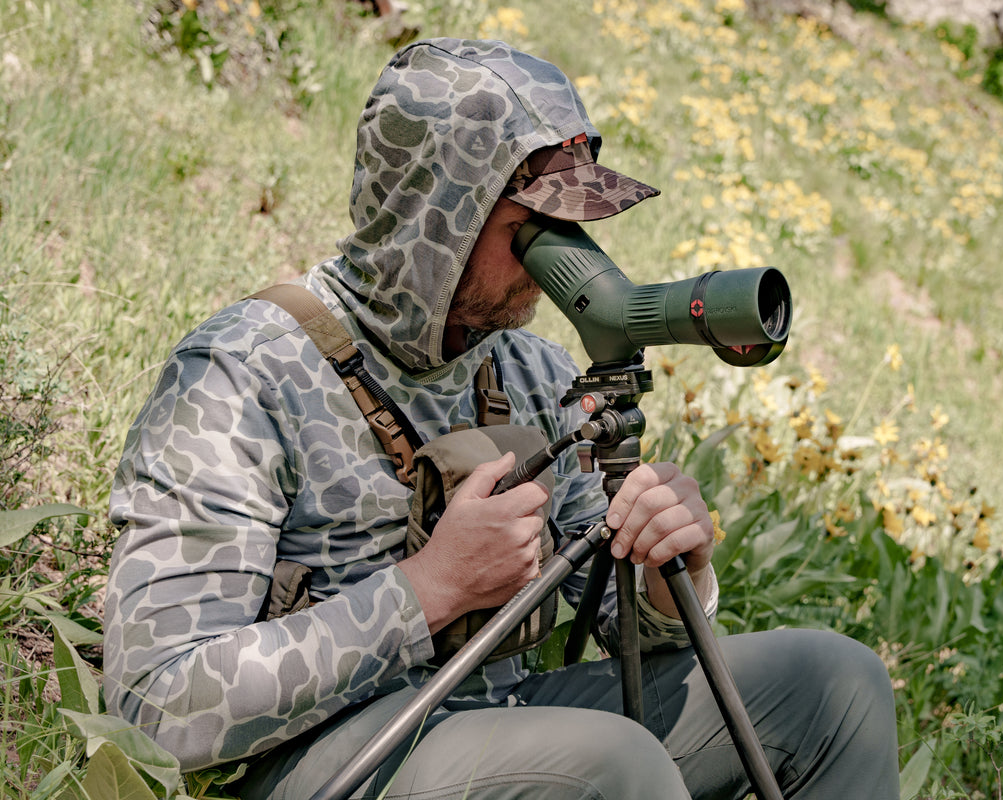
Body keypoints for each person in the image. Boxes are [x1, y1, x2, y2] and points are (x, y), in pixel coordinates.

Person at [103, 38, 901, 799]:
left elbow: (629, 633)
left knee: (835, 686)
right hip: (327, 752)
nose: (558, 260)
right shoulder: (245, 371)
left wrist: (669, 575)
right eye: (529, 230)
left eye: (569, 227)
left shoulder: (531, 372)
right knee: (612, 764)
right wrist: (430, 589)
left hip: (509, 726)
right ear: (436, 219)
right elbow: (155, 704)